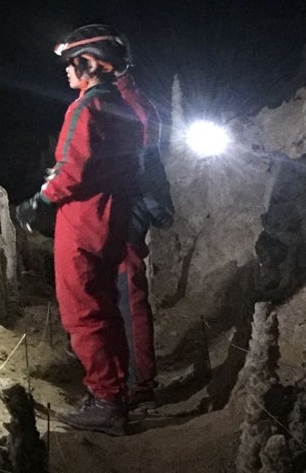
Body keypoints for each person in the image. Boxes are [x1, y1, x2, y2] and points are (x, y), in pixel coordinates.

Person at [16, 25, 144, 436]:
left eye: (71, 64)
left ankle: (105, 401)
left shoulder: (85, 108)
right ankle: (115, 392)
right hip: (112, 217)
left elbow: (74, 167)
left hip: (82, 222)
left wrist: (39, 202)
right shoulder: (121, 107)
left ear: (88, 62)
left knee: (82, 311)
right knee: (106, 308)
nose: (67, 72)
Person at [110, 31, 174, 409]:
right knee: (118, 295)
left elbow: (143, 163)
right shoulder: (124, 99)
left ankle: (139, 384)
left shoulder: (128, 102)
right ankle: (128, 378)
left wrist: (145, 205)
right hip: (122, 206)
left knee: (127, 295)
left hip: (126, 209)